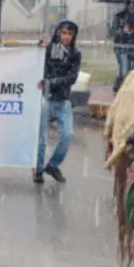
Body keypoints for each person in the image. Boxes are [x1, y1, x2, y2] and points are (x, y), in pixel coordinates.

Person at [34, 20, 81, 184]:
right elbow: (39, 65)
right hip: (46, 97)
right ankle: (38, 170)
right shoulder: (48, 49)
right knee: (41, 138)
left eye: (70, 34)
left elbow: (72, 77)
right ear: (58, 33)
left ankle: (53, 165)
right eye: (64, 33)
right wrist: (38, 48)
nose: (66, 37)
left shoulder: (75, 53)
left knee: (67, 135)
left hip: (63, 99)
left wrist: (53, 81)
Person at [111, 2, 134, 92]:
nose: (133, 7)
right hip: (121, 48)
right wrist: (123, 32)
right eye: (131, 5)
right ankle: (119, 87)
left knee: (133, 71)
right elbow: (113, 32)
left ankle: (129, 88)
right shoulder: (119, 16)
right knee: (124, 70)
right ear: (127, 5)